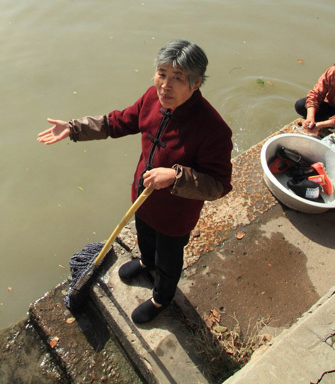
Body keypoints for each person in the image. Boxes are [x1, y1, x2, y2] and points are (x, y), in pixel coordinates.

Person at [37, 40, 233, 324]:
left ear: (196, 83)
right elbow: (118, 122)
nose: (165, 85)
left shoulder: (212, 129)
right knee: (145, 238)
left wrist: (175, 176)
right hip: (143, 198)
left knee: (169, 259)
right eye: (162, 73)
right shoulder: (152, 99)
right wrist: (74, 128)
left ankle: (161, 298)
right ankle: (145, 262)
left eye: (177, 78)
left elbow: (219, 185)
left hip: (175, 215)